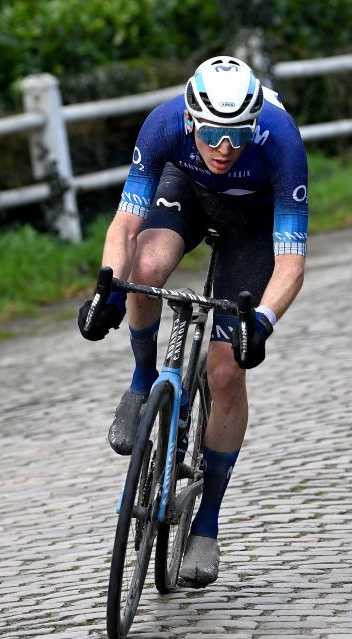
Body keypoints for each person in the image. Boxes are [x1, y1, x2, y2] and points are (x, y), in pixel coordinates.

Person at [77, 56, 308, 587]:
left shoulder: (281, 140)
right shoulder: (163, 124)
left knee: (226, 371)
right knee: (147, 267)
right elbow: (126, 222)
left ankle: (205, 525)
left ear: (254, 125)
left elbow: (291, 262)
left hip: (254, 218)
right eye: (211, 135)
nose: (224, 149)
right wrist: (108, 287)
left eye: (237, 136)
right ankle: (141, 383)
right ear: (189, 120)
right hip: (185, 190)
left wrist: (264, 323)